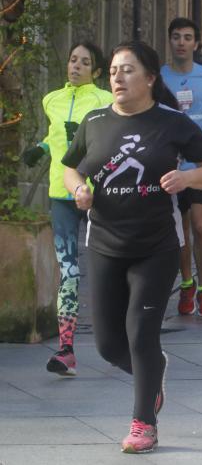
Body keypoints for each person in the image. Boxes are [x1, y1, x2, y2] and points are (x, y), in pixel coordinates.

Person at [62, 41, 202, 453]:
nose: (117, 77)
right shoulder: (95, 121)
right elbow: (71, 167)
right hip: (103, 243)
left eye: (128, 70)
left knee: (140, 335)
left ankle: (143, 423)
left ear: (151, 79)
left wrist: (188, 179)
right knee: (107, 344)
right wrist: (80, 188)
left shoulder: (173, 123)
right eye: (114, 70)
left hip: (156, 245)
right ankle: (152, 375)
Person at [21, 41, 114, 377]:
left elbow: (113, 140)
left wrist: (87, 139)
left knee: (111, 266)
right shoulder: (52, 100)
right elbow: (55, 136)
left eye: (84, 62)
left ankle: (121, 336)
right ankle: (66, 350)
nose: (76, 66)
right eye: (73, 59)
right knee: (69, 273)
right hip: (62, 193)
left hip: (99, 194)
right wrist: (41, 148)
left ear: (97, 71)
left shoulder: (105, 101)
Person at [161, 17, 202, 318]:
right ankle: (186, 282)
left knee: (201, 225)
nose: (181, 42)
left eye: (187, 37)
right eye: (176, 37)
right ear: (170, 41)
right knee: (181, 232)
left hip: (201, 162)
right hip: (171, 163)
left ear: (196, 43)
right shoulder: (159, 77)